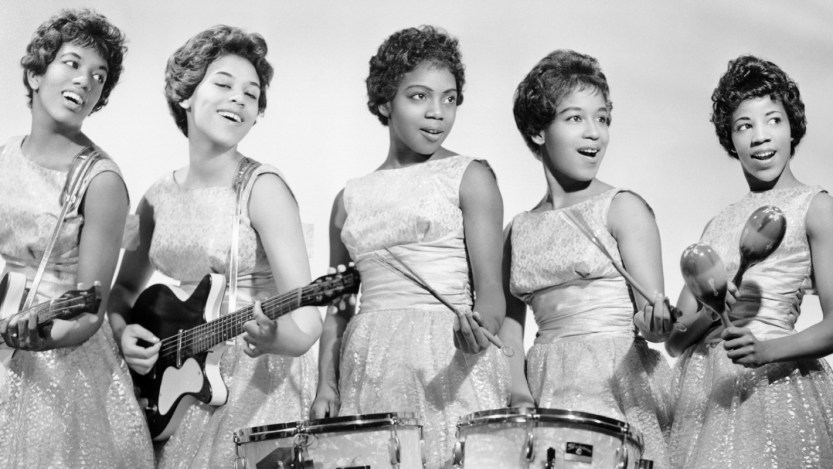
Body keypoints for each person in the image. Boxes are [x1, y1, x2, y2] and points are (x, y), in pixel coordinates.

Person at [107, 25, 322, 468]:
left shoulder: (264, 188)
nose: (239, 99)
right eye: (223, 84)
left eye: (251, 93)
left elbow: (307, 318)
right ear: (185, 94)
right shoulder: (155, 196)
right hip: (174, 388)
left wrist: (276, 338)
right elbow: (123, 292)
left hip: (252, 381)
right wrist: (122, 331)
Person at [310, 25, 509, 468]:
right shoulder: (348, 199)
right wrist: (326, 384)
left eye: (450, 98)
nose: (437, 112)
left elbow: (492, 291)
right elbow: (338, 307)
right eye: (419, 96)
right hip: (368, 367)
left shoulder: (471, 177)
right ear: (384, 101)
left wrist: (480, 329)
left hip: (448, 362)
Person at [502, 49, 675, 467]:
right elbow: (509, 331)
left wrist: (656, 322)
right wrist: (519, 392)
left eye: (602, 118)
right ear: (538, 129)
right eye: (575, 118)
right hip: (543, 386)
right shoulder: (518, 229)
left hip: (617, 385)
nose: (594, 133)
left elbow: (655, 322)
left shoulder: (623, 207)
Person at [0, 8, 154, 468]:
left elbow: (91, 309)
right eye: (72, 63)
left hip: (63, 368)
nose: (86, 81)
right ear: (34, 73)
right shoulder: (3, 158)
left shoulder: (102, 180)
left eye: (98, 76)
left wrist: (45, 339)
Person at [665, 55, 833, 468]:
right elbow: (675, 339)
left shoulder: (815, 207)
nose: (761, 137)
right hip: (702, 398)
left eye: (773, 120)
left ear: (793, 126)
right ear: (730, 139)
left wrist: (768, 350)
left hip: (772, 390)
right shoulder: (717, 223)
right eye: (745, 126)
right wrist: (715, 310)